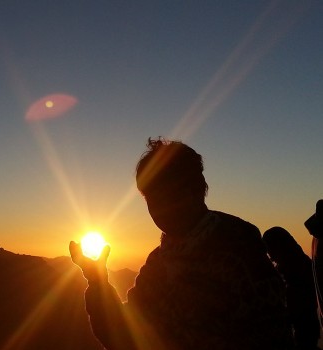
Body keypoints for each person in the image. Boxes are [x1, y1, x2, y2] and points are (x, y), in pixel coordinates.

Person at [70, 138, 295, 350]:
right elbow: (125, 337)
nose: (159, 208)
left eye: (169, 194)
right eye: (151, 198)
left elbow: (273, 338)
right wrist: (98, 282)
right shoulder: (158, 263)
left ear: (196, 190)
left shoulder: (240, 252)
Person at [263, 226, 321, 350]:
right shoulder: (295, 266)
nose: (270, 255)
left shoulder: (296, 270)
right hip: (304, 329)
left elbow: (298, 304)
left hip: (304, 330)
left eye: (270, 250)